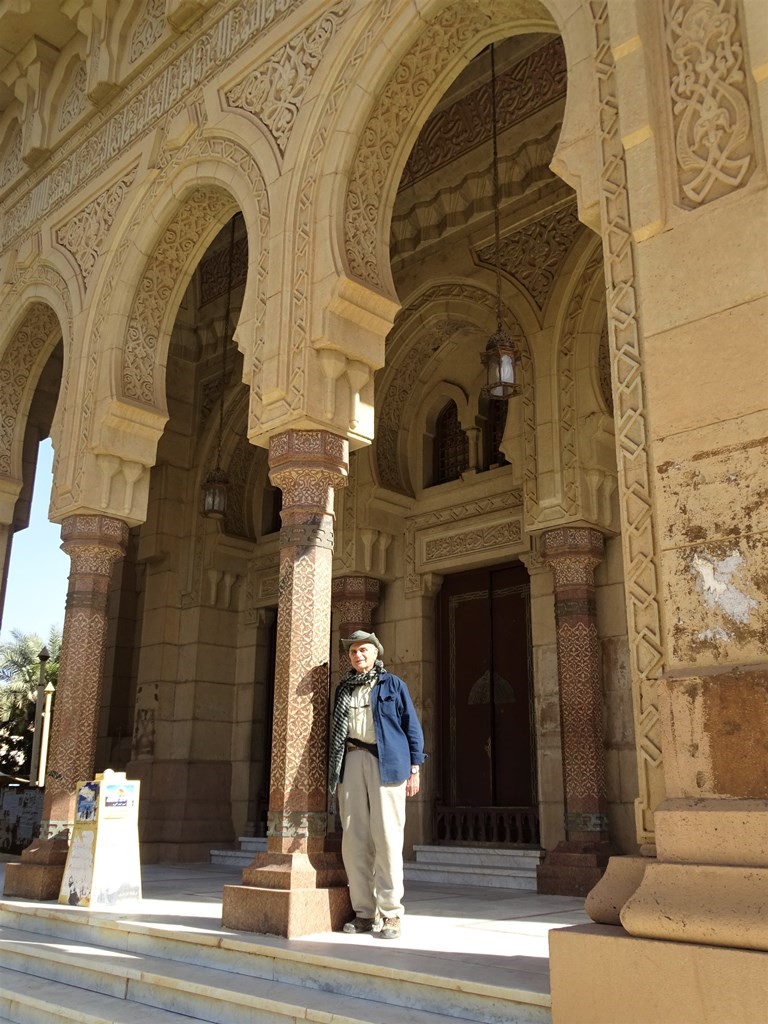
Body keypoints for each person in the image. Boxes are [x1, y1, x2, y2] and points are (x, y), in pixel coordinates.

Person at [328, 629, 426, 940]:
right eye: (353, 651)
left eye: (363, 650)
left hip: (388, 764)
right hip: (351, 761)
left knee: (387, 837)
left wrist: (415, 768)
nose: (358, 655)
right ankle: (364, 913)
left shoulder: (393, 685)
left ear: (375, 653)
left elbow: (411, 726)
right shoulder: (344, 689)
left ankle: (391, 913)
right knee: (355, 839)